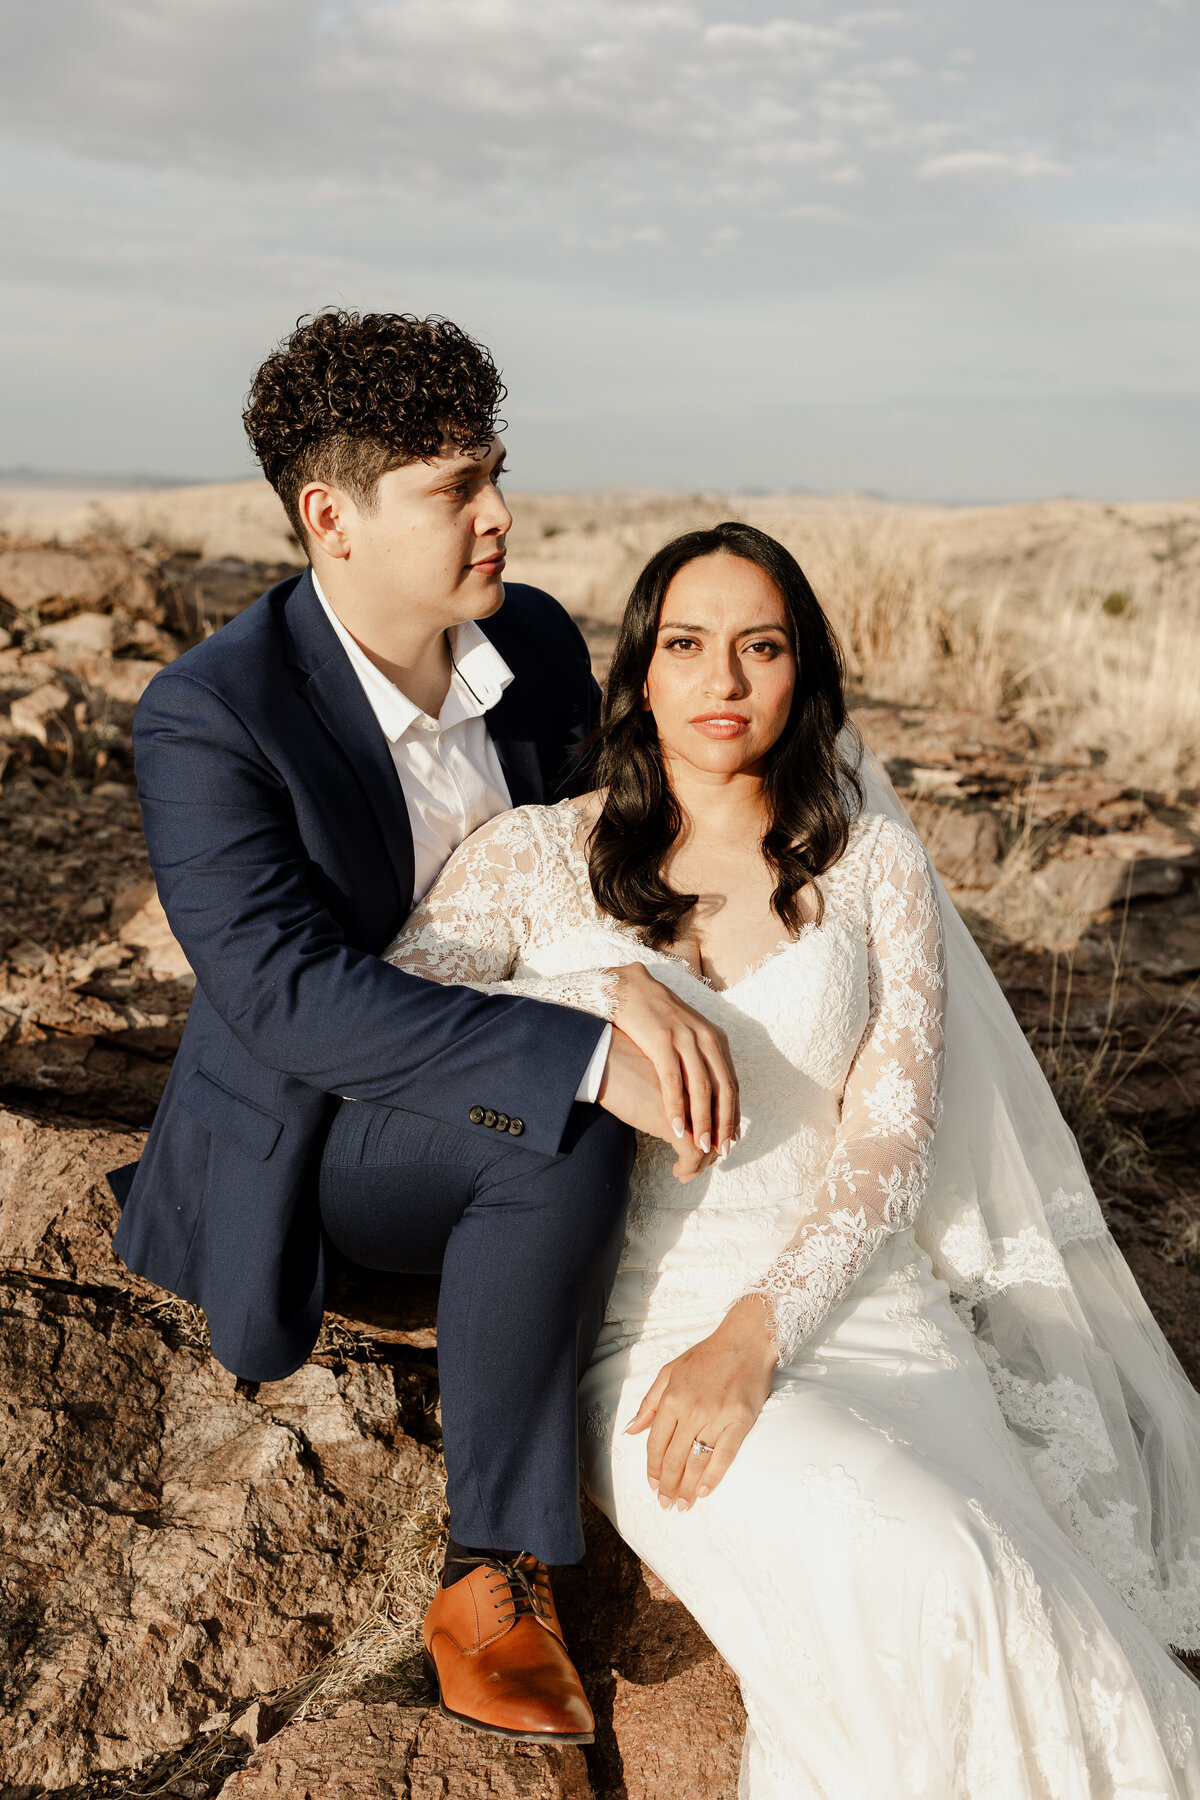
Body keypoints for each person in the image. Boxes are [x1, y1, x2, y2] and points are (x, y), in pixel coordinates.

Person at [383, 519, 1200, 1794]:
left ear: (803, 672)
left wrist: (765, 1329)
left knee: (1021, 1591)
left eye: (760, 648)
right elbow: (391, 1017)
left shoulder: (874, 864)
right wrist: (593, 991)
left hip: (863, 1309)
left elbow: (888, 1133)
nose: (723, 683)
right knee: (940, 1568)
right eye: (688, 646)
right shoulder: (535, 859)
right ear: (639, 672)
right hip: (647, 1332)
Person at [108, 309, 742, 1747]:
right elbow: (287, 997)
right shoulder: (211, 717)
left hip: (482, 1042)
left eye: (496, 473)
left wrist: (620, 963)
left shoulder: (526, 641)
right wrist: (582, 1033)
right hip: (317, 1133)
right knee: (565, 1117)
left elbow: (590, 855)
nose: (501, 516)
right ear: (332, 518)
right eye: (455, 489)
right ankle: (487, 1574)